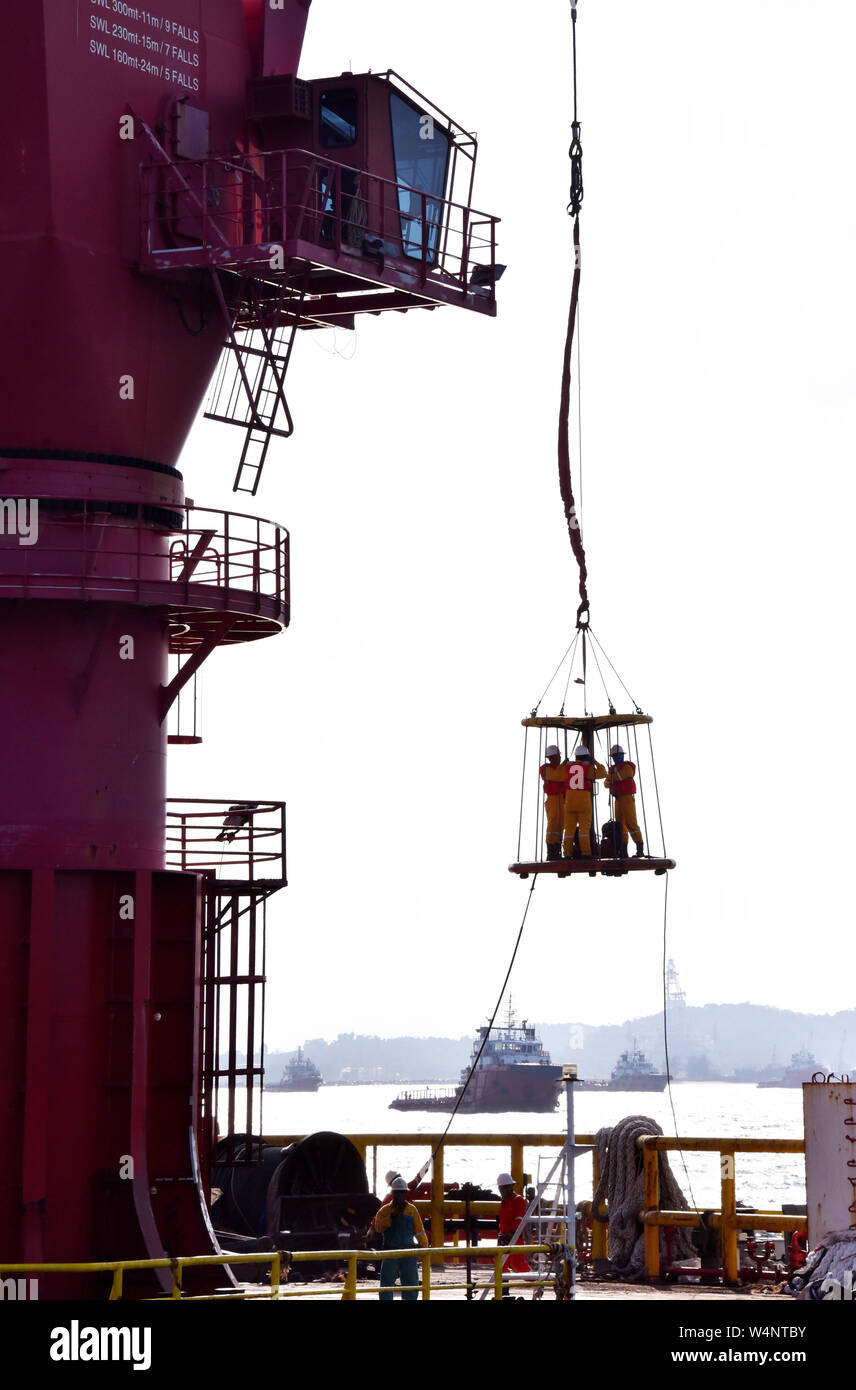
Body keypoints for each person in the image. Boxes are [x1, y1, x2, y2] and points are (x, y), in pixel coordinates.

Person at [369, 1176, 428, 1301]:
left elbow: (419, 1232)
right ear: (393, 1193)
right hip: (390, 1254)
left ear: (406, 1194)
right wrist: (391, 1218)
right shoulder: (385, 1211)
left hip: (408, 1254)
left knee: (411, 1285)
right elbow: (379, 1228)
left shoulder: (412, 1210)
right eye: (397, 1193)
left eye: (402, 1193)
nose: (400, 1196)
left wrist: (424, 1248)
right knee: (386, 1286)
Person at [562, 745, 605, 859]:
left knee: (569, 830)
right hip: (584, 801)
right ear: (587, 757)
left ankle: (567, 854)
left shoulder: (567, 768)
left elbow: (557, 775)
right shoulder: (588, 768)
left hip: (570, 801)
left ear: (576, 756)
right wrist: (595, 761)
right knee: (584, 830)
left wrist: (563, 763)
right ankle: (586, 853)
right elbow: (602, 773)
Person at [604, 744, 645, 856]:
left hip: (626, 798)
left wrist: (611, 778)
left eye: (618, 755)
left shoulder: (627, 767)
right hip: (618, 799)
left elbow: (617, 777)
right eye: (614, 756)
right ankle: (623, 851)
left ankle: (639, 848)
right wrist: (611, 779)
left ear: (622, 755)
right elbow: (606, 784)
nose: (616, 757)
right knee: (620, 825)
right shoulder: (613, 769)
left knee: (631, 823)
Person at [496, 1172, 531, 1280]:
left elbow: (519, 1220)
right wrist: (502, 1236)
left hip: (515, 1238)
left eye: (507, 1187)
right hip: (504, 1238)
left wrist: (510, 1235)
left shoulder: (518, 1200)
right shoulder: (504, 1202)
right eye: (503, 1188)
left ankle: (535, 1281)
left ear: (511, 1186)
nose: (505, 1190)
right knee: (500, 1264)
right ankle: (503, 1287)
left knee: (518, 1264)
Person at [539, 744, 569, 861]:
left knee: (562, 824)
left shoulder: (561, 768)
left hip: (562, 798)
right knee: (553, 824)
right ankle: (551, 852)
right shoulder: (545, 769)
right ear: (551, 757)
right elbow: (558, 777)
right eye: (557, 756)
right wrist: (563, 766)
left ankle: (557, 851)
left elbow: (563, 776)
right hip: (552, 798)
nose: (559, 758)